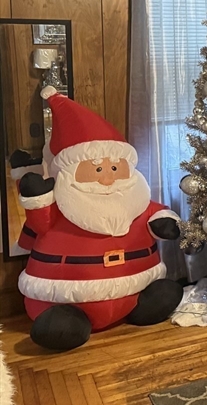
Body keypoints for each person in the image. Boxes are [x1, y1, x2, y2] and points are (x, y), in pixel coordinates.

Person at [17, 87, 184, 350]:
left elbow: (153, 210)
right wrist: (36, 199)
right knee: (59, 325)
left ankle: (142, 305)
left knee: (165, 293)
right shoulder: (63, 202)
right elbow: (40, 224)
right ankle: (69, 320)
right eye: (97, 169)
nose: (107, 178)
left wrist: (165, 221)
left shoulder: (134, 197)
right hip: (67, 298)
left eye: (115, 168)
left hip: (134, 288)